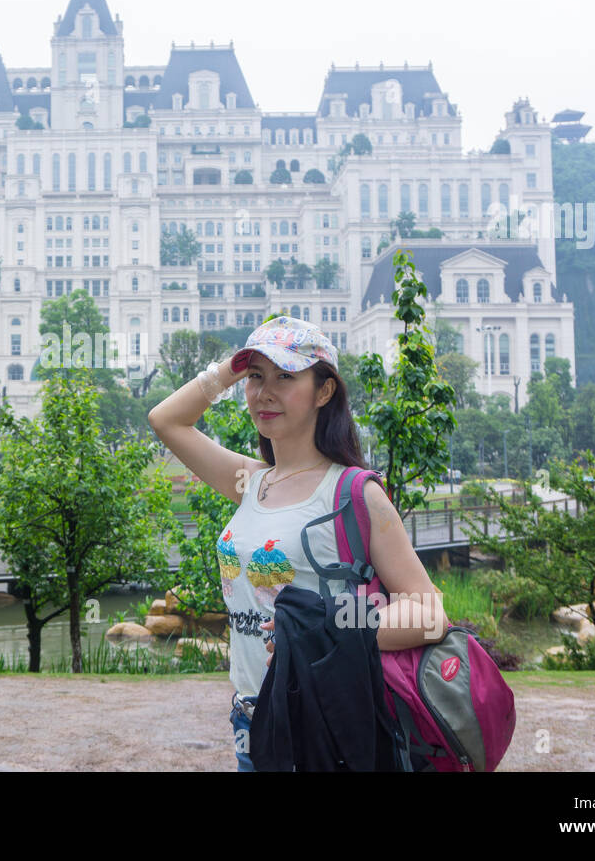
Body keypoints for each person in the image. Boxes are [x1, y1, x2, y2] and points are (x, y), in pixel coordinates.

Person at [147, 316, 445, 771]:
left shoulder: (353, 493)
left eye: (285, 376)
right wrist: (232, 368)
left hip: (321, 723)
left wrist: (332, 628)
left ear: (324, 392)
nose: (265, 393)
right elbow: (166, 420)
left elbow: (429, 614)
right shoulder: (252, 481)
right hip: (251, 719)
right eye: (256, 378)